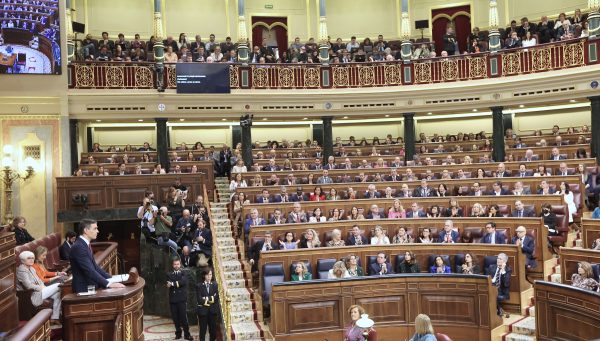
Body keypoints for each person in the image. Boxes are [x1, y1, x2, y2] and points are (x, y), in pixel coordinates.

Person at [69, 219, 126, 293]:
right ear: (86, 230)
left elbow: (95, 267)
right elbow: (89, 271)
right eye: (95, 228)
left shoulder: (85, 244)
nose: (98, 231)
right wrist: (108, 284)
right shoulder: (79, 247)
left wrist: (110, 278)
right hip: (83, 290)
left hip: (90, 287)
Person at [16, 251, 62, 320]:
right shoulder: (21, 270)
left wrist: (43, 286)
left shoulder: (31, 268)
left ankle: (55, 318)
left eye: (32, 258)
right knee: (59, 285)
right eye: (29, 258)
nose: (32, 260)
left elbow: (39, 280)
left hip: (40, 291)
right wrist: (41, 288)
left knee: (58, 294)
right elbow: (28, 286)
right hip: (32, 295)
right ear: (23, 260)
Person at [167, 258, 193, 340]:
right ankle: (178, 333)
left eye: (177, 264)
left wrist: (173, 283)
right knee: (175, 318)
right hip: (173, 299)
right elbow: (168, 284)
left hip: (181, 299)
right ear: (172, 265)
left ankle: (187, 334)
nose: (176, 266)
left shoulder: (184, 273)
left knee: (183, 318)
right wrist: (176, 283)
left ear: (180, 264)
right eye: (175, 264)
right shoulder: (169, 274)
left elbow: (183, 282)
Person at [196, 268, 219, 341]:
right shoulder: (199, 286)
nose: (209, 276)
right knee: (202, 331)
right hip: (203, 311)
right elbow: (199, 300)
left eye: (211, 274)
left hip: (213, 311)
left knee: (213, 331)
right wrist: (211, 298)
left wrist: (205, 299)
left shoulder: (215, 285)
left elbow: (216, 297)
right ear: (204, 276)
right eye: (207, 274)